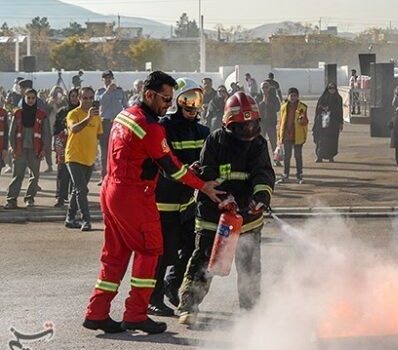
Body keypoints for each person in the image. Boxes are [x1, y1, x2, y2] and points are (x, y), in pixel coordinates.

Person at [82, 71, 223, 335]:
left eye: (171, 99)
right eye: (165, 99)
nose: (168, 105)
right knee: (150, 251)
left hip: (111, 191)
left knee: (114, 256)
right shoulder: (150, 127)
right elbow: (173, 168)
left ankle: (96, 312)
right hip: (134, 195)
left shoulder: (125, 115)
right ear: (149, 95)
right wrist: (203, 185)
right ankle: (136, 314)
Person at [178, 92, 274, 326]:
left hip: (248, 217)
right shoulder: (215, 141)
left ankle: (250, 312)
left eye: (253, 125)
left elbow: (263, 172)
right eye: (244, 126)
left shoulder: (259, 143)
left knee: (250, 266)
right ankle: (189, 307)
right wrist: (223, 199)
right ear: (229, 124)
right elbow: (207, 172)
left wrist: (261, 197)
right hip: (213, 215)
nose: (250, 131)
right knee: (203, 262)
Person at [148, 78, 210, 317]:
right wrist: (188, 169)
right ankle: (153, 299)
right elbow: (165, 163)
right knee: (162, 253)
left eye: (197, 100)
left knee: (190, 248)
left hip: (187, 202)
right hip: (164, 201)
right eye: (187, 99)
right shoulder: (164, 127)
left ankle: (171, 286)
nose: (192, 106)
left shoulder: (201, 131)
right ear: (177, 102)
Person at [64, 87, 103, 231]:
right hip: (73, 156)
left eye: (90, 98)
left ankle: (70, 218)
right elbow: (74, 129)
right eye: (85, 98)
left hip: (89, 158)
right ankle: (86, 220)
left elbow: (98, 135)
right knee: (81, 189)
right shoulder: (72, 114)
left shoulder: (97, 116)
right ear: (79, 98)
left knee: (77, 189)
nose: (88, 101)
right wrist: (88, 118)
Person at [4, 89, 51, 209]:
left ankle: (29, 198)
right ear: (24, 99)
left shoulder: (42, 115)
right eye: (28, 98)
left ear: (36, 99)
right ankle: (11, 200)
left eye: (33, 98)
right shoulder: (18, 113)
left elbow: (46, 134)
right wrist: (12, 147)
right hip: (20, 149)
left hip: (35, 150)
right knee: (17, 175)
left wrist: (44, 150)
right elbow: (12, 132)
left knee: (35, 176)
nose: (30, 100)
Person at [96, 70, 127, 183]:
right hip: (105, 123)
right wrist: (108, 91)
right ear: (102, 79)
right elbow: (100, 103)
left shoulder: (119, 91)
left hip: (118, 123)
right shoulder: (100, 92)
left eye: (110, 77)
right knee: (104, 151)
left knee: (119, 150)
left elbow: (125, 105)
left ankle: (116, 175)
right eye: (106, 78)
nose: (108, 79)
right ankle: (103, 176)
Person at [53, 88, 80, 208]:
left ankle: (75, 198)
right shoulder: (62, 112)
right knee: (63, 173)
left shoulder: (84, 112)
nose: (74, 98)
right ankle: (60, 197)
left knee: (76, 174)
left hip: (79, 147)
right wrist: (58, 146)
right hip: (64, 146)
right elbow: (56, 130)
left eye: (76, 96)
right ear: (69, 97)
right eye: (72, 96)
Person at [277, 87, 308, 184]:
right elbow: (281, 122)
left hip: (298, 135)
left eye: (295, 95)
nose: (293, 97)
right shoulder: (283, 107)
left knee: (298, 156)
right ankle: (285, 175)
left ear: (298, 97)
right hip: (286, 136)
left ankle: (299, 175)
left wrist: (302, 120)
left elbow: (305, 122)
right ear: (288, 96)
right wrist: (279, 136)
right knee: (287, 156)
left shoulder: (302, 107)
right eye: (291, 95)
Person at [313, 82, 343, 162]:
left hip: (333, 123)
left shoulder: (338, 98)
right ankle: (319, 156)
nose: (331, 90)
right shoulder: (323, 98)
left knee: (332, 140)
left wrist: (341, 122)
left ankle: (331, 156)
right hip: (322, 123)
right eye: (330, 88)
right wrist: (323, 109)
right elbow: (318, 109)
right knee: (321, 140)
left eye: (333, 88)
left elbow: (340, 111)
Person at [258, 81, 281, 165]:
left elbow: (278, 108)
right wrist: (263, 103)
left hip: (271, 123)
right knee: (260, 143)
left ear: (269, 88)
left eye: (266, 87)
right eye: (263, 87)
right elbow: (255, 108)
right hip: (261, 124)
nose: (265, 89)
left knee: (274, 142)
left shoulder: (274, 97)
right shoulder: (258, 97)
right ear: (260, 89)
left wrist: (269, 103)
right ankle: (259, 160)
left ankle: (276, 160)